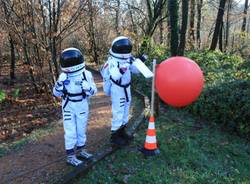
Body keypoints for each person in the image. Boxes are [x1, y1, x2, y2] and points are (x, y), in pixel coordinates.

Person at [53, 48, 97, 166]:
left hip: (82, 104)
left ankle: (81, 150)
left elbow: (94, 91)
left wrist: (87, 87)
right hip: (68, 105)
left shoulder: (86, 74)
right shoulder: (63, 76)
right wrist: (59, 85)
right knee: (70, 131)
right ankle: (70, 156)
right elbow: (56, 94)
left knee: (81, 129)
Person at [106, 36, 145, 146]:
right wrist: (125, 65)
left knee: (125, 111)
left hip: (126, 88)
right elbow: (115, 75)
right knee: (118, 112)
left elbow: (136, 71)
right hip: (117, 89)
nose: (124, 51)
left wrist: (140, 61)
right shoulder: (112, 61)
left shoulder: (127, 59)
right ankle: (114, 137)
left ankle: (122, 132)